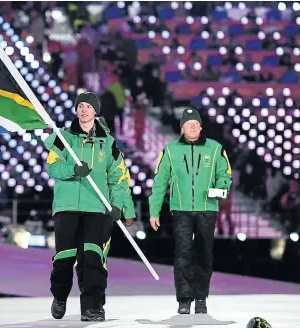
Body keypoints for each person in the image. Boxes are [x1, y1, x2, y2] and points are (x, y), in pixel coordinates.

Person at [44, 92, 129, 322]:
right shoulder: (64, 138)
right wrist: (73, 170)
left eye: (88, 107)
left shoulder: (108, 144)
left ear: (95, 111)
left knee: (93, 257)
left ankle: (92, 306)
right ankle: (60, 296)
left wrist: (116, 206)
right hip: (67, 206)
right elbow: (52, 167)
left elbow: (119, 178)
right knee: (64, 256)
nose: (83, 110)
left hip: (97, 208)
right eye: (80, 106)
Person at [148, 108, 232, 314]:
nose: (193, 126)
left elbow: (226, 174)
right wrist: (154, 210)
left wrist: (220, 188)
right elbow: (160, 182)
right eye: (189, 123)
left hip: (207, 208)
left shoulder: (215, 149)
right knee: (183, 254)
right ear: (182, 127)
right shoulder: (170, 150)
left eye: (196, 123)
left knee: (204, 254)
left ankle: (201, 298)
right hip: (181, 210)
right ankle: (184, 299)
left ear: (201, 126)